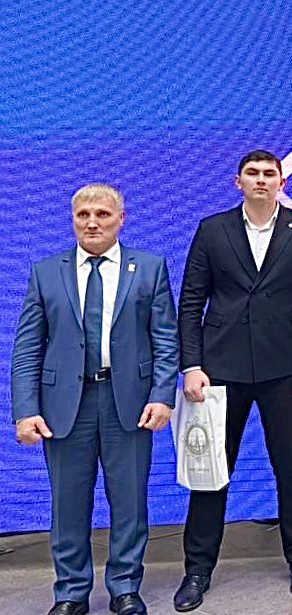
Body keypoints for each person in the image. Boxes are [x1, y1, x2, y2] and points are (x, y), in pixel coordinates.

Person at [174, 149, 292, 612]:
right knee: (211, 473)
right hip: (220, 371)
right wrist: (191, 365)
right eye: (252, 173)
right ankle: (197, 570)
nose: (261, 179)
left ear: (282, 182)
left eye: (269, 174)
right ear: (237, 181)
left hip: (287, 369)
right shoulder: (212, 229)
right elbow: (191, 302)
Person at [11, 183, 179, 615]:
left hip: (130, 404)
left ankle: (125, 587)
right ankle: (70, 592)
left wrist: (163, 396)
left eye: (102, 214)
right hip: (64, 407)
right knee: (68, 504)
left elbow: (165, 340)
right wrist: (25, 410)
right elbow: (27, 348)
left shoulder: (150, 268)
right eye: (83, 215)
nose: (92, 223)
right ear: (72, 220)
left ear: (121, 219)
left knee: (130, 503)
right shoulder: (46, 272)